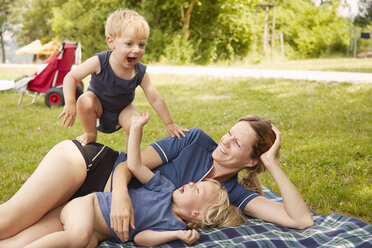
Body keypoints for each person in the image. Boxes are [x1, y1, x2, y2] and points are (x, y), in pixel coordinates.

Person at [0, 114, 313, 244]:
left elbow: (300, 221)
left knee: (20, 242)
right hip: (90, 166)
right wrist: (121, 197)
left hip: (94, 211)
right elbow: (128, 165)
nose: (225, 141)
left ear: (251, 161)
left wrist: (271, 163)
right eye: (229, 133)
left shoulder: (229, 194)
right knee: (8, 222)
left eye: (236, 144)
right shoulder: (193, 140)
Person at [58, 9, 188, 146]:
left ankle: (131, 159)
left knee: (136, 122)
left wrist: (169, 123)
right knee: (84, 100)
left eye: (141, 44)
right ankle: (90, 134)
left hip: (122, 111)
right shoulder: (99, 61)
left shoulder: (139, 72)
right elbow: (71, 77)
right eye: (129, 43)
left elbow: (155, 98)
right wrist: (70, 102)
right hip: (98, 108)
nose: (137, 49)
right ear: (111, 42)